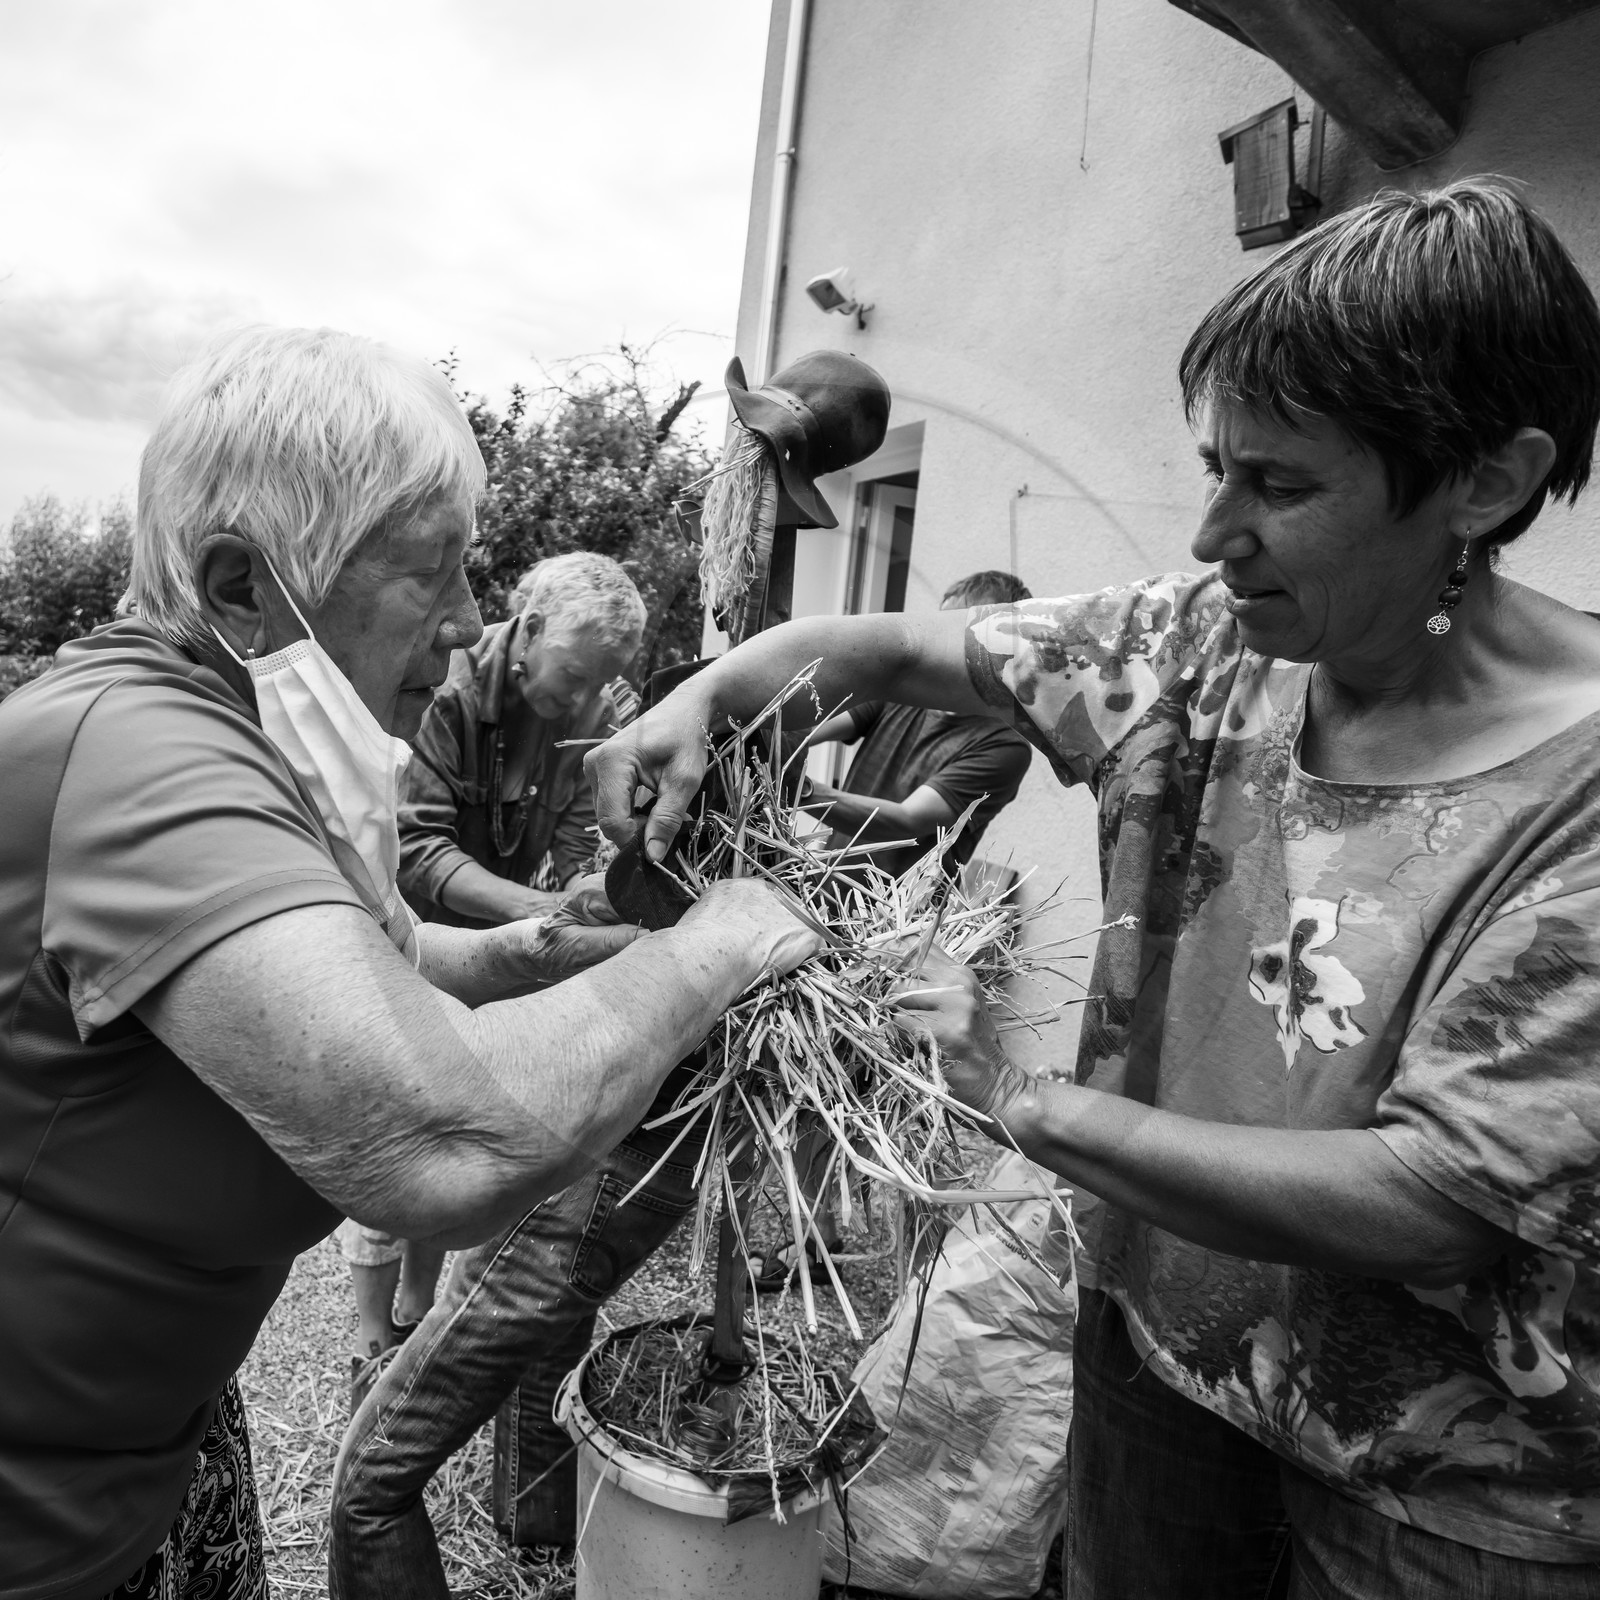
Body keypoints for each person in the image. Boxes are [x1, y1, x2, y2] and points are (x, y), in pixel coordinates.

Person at [589, 183, 1600, 1597]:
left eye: (1282, 486)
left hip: (1438, 1499)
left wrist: (1023, 1103)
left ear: (1488, 483)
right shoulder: (1197, 648)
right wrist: (714, 691)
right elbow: (898, 650)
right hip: (1158, 1378)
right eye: (1215, 469)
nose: (1210, 536)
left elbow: (1429, 1195)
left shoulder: (1575, 795)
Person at [0, 325, 818, 1600]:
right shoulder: (135, 755)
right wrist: (726, 937)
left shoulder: (252, 742)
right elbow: (440, 1140)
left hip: (136, 1452)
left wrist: (526, 950)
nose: (468, 621)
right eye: (432, 573)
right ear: (239, 585)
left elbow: (376, 947)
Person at [341, 552, 646, 1406]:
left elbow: (593, 840)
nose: (589, 703)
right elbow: (423, 849)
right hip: (406, 923)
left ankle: (417, 1298)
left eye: (608, 685)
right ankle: (371, 1338)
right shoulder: (446, 691)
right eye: (578, 677)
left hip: (505, 922)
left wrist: (592, 895)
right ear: (533, 630)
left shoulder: (605, 705)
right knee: (392, 1120)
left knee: (462, 1117)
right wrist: (536, 907)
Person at [800, 568, 1034, 878]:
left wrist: (800, 789)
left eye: (953, 629)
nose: (935, 639)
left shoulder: (1005, 747)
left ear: (995, 643)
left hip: (889, 920)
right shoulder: (905, 692)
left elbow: (906, 821)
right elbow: (811, 727)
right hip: (820, 890)